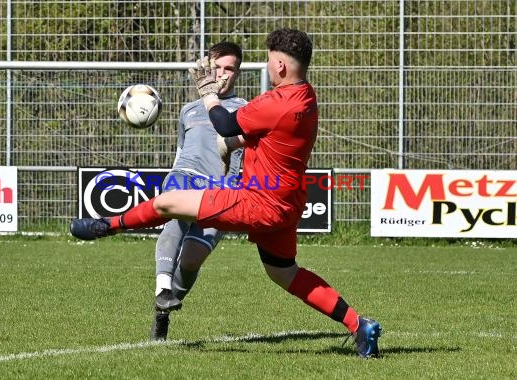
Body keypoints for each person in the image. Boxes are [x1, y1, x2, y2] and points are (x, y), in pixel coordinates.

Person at [71, 28, 382, 358]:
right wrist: (232, 144)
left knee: (166, 202)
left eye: (267, 60)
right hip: (287, 203)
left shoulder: (276, 102)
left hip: (259, 201)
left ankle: (106, 225)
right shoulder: (306, 96)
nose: (265, 67)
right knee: (285, 273)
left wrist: (208, 93)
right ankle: (358, 324)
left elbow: (225, 123)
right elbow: (263, 137)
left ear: (279, 65)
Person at [150, 41, 246, 340]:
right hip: (184, 175)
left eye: (229, 68)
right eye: (216, 66)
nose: (222, 73)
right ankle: (162, 288)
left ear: (237, 73)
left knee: (191, 260)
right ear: (207, 68)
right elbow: (181, 151)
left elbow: (245, 156)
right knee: (175, 220)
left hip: (219, 190)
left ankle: (163, 310)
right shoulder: (188, 110)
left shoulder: (245, 109)